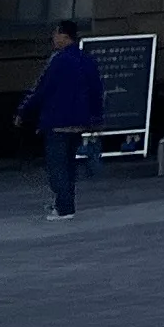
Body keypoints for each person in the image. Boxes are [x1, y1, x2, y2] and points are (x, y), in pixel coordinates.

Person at [18, 21, 105, 218]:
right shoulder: (87, 60)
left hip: (57, 120)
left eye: (56, 35)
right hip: (80, 120)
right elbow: (96, 91)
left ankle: (64, 207)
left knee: (57, 166)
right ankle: (65, 204)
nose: (53, 38)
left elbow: (41, 90)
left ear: (64, 36)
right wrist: (96, 117)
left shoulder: (57, 61)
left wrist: (23, 111)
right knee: (69, 165)